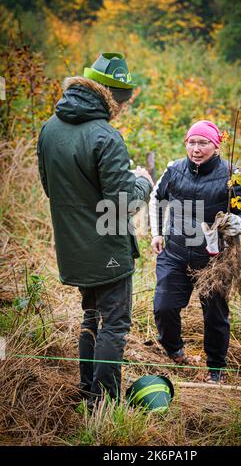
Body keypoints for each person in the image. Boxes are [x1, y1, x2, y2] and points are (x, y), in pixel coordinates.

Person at [37, 52, 153, 408]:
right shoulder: (106, 136)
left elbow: (49, 187)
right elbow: (123, 204)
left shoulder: (49, 128)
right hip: (107, 250)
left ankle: (88, 388)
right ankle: (104, 401)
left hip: (73, 246)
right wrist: (143, 183)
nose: (122, 106)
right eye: (122, 98)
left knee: (90, 315)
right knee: (115, 325)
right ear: (110, 95)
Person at [149, 120, 241, 383]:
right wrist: (157, 233)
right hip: (175, 252)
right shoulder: (174, 169)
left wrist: (238, 223)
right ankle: (175, 350)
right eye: (192, 142)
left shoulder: (233, 175)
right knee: (163, 307)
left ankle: (215, 369)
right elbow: (156, 198)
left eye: (203, 143)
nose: (196, 148)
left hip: (215, 259)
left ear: (216, 146)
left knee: (215, 315)